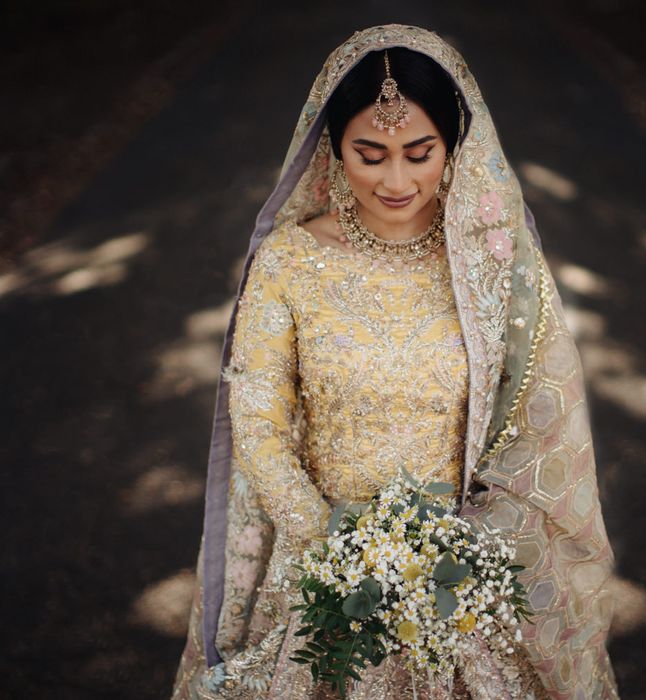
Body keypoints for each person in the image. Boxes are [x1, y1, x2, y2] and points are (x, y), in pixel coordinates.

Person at [171, 25, 619, 700]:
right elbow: (258, 414)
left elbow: (535, 421)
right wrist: (337, 548)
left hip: (458, 574)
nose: (396, 178)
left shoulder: (491, 268)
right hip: (324, 570)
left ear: (454, 145)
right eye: (370, 153)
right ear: (333, 146)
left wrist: (455, 549)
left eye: (419, 152)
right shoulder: (290, 260)